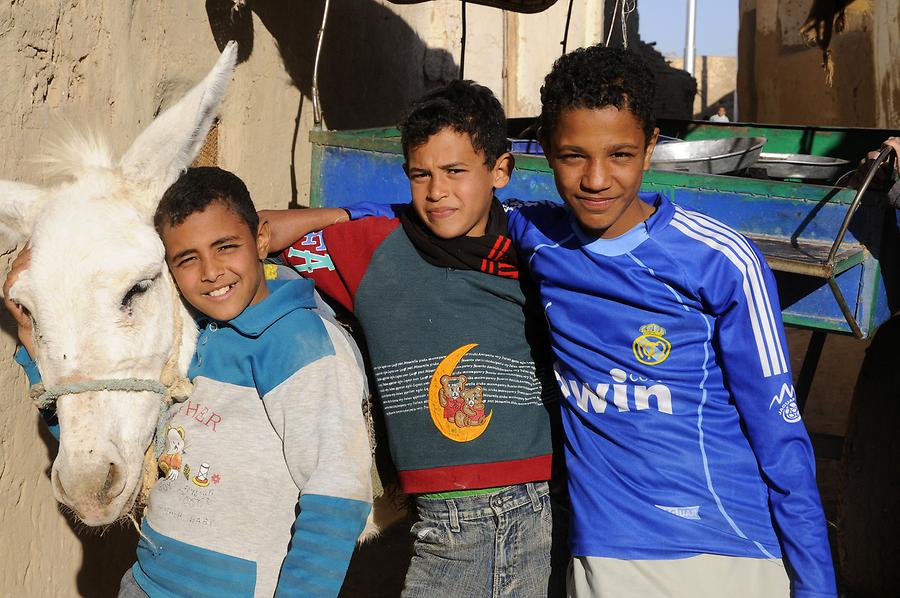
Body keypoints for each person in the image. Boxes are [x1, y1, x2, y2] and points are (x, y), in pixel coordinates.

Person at [346, 45, 837, 598]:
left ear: (651, 147)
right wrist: (307, 221)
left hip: (721, 555)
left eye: (620, 155)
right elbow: (432, 210)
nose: (597, 179)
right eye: (573, 155)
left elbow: (782, 441)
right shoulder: (540, 240)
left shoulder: (720, 261)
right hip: (601, 559)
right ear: (546, 154)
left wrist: (815, 585)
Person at [5, 167, 373, 597]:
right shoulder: (186, 341)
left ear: (261, 240)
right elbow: (118, 445)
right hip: (145, 584)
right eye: (187, 259)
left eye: (226, 247)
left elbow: (336, 496)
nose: (211, 272)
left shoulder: (303, 347)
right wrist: (32, 340)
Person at [261, 80, 566, 598]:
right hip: (435, 510)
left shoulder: (532, 250)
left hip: (514, 504)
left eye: (455, 172)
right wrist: (345, 215)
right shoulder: (375, 245)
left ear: (500, 170)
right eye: (420, 175)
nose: (437, 191)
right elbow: (257, 233)